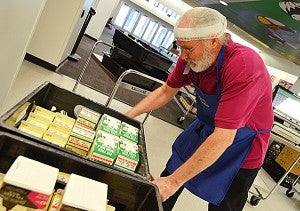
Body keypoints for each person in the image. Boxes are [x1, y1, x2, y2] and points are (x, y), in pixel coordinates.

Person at [126, 7, 274, 211]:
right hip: (208, 128)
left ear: (213, 41)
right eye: (180, 48)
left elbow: (224, 138)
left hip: (242, 146)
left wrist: (175, 181)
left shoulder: (243, 66)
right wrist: (125, 117)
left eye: (188, 49)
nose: (183, 56)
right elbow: (165, 92)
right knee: (162, 187)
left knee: (223, 204)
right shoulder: (192, 58)